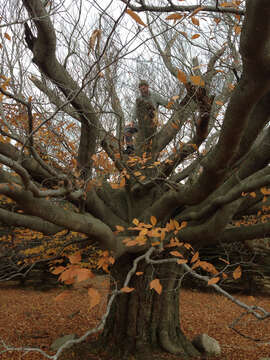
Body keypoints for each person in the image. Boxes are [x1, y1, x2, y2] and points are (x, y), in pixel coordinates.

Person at [124, 80, 171, 154]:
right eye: (141, 89)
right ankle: (130, 148)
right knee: (127, 128)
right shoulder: (139, 99)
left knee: (150, 109)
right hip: (141, 124)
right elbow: (134, 110)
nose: (143, 90)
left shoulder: (155, 96)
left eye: (144, 88)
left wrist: (174, 105)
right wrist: (132, 121)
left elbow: (166, 103)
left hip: (152, 123)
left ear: (147, 87)